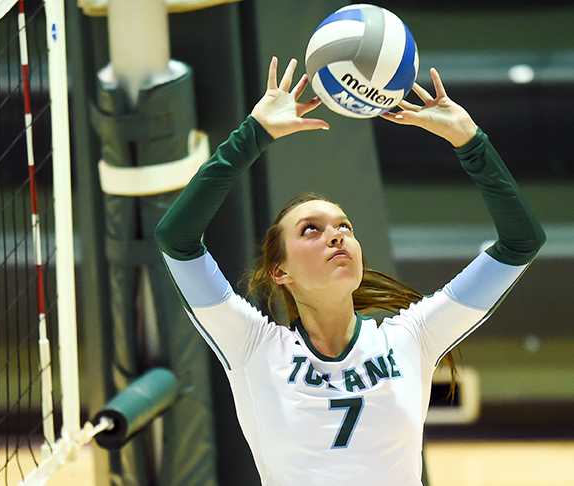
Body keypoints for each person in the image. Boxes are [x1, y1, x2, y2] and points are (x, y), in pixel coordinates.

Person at [155, 57, 545, 485]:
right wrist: (252, 135)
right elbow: (177, 239)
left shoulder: (413, 336)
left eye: (344, 227)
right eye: (311, 230)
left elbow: (520, 243)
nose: (336, 236)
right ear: (280, 271)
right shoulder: (251, 347)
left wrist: (470, 141)